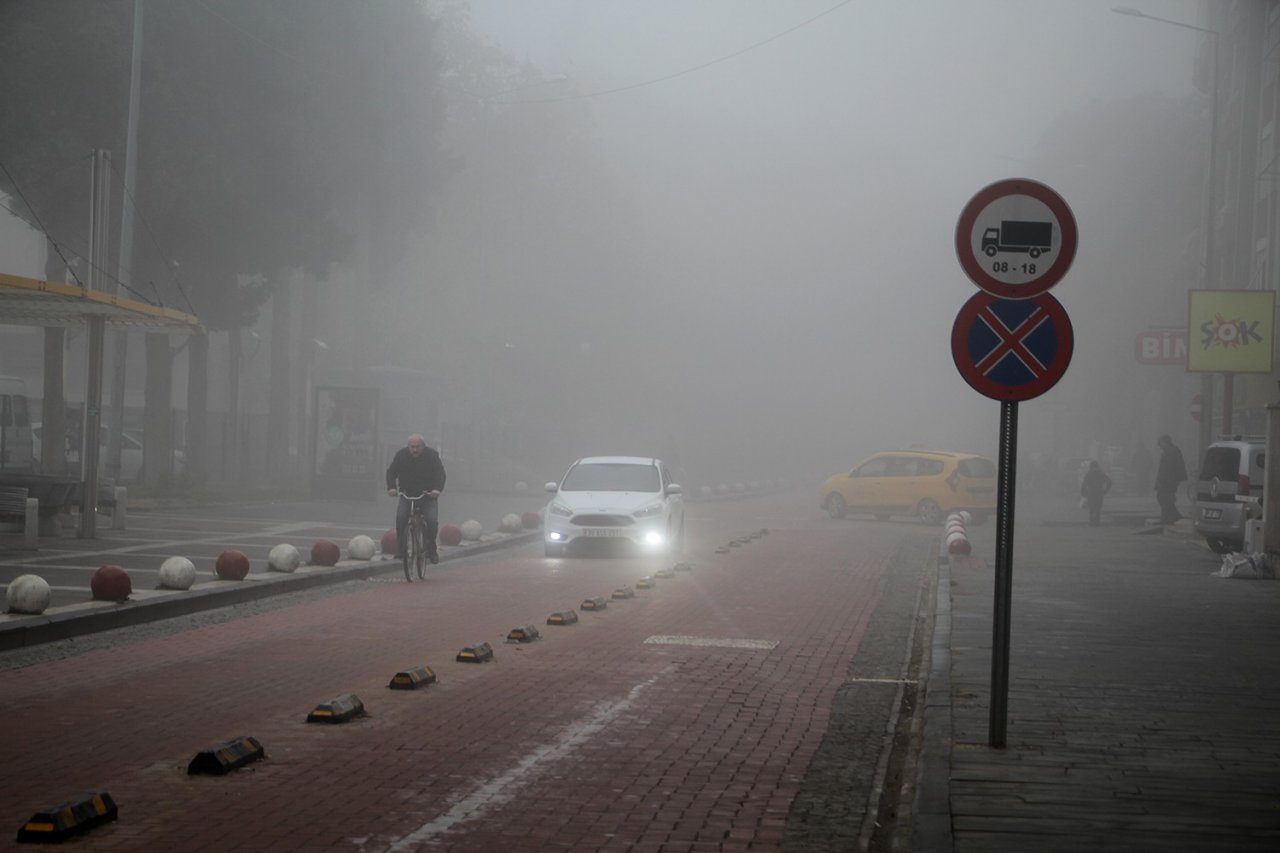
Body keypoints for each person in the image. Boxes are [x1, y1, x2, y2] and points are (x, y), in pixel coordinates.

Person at [386, 434, 446, 564]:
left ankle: (431, 549)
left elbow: (440, 474)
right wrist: (391, 488)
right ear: (408, 446)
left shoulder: (432, 456)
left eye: (417, 447)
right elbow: (391, 472)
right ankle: (401, 550)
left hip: (427, 495)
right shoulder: (401, 455)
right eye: (412, 447)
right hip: (407, 494)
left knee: (431, 521)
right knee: (401, 518)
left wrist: (437, 489)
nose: (414, 450)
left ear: (423, 446)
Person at [1153, 434, 1187, 525]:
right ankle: (1173, 516)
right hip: (1167, 480)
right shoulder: (1169, 451)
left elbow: (1168, 468)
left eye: (1160, 443)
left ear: (1165, 442)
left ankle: (1167, 518)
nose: (1159, 445)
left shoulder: (1172, 451)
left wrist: (1162, 481)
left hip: (1169, 481)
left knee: (1165, 498)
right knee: (1165, 498)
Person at [1080, 460, 1112, 527]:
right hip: (1099, 493)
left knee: (1091, 508)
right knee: (1098, 508)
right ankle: (1097, 523)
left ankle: (1092, 522)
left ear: (1091, 467)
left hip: (1091, 493)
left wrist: (1084, 493)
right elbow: (1109, 482)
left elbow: (1084, 484)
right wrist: (1105, 491)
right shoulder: (1101, 474)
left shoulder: (1089, 474)